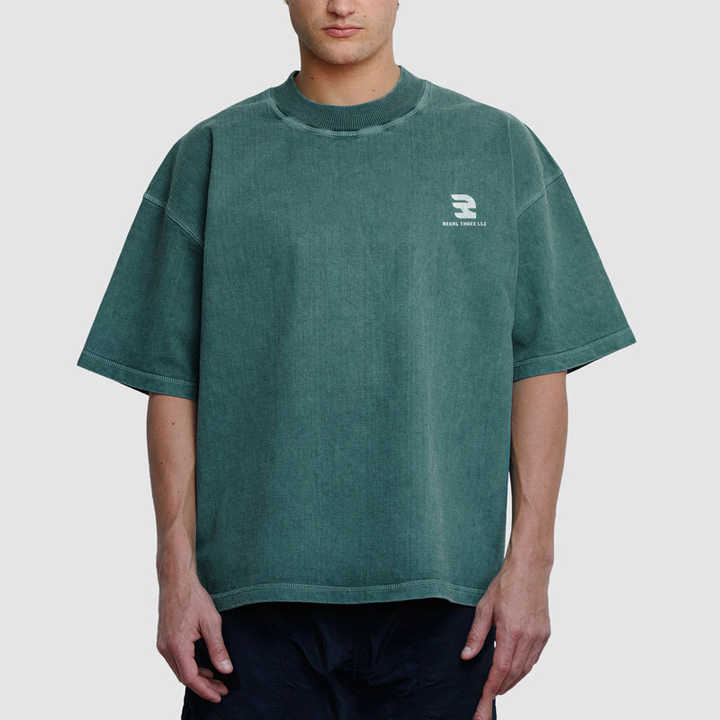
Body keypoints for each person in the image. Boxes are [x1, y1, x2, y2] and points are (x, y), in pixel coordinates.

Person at [76, 1, 636, 718]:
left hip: (447, 605)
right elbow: (170, 382)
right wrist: (173, 576)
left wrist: (533, 564)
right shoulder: (212, 154)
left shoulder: (497, 149)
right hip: (248, 610)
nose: (341, 4)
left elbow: (540, 367)